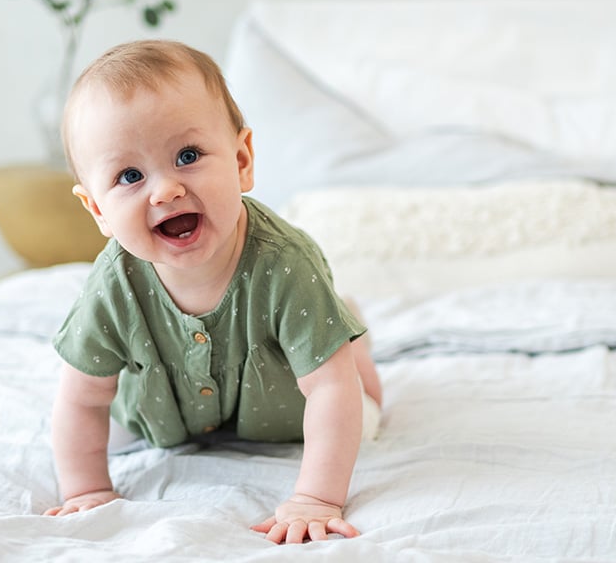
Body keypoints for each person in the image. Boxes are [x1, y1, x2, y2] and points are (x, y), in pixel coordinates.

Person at [42, 39, 383, 545]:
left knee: (365, 413)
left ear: (242, 159)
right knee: (106, 431)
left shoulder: (285, 264)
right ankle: (333, 327)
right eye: (129, 176)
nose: (165, 191)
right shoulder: (113, 283)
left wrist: (315, 498)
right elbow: (81, 400)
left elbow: (330, 392)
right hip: (162, 413)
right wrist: (88, 489)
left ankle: (344, 335)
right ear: (97, 211)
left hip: (282, 409)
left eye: (188, 155)